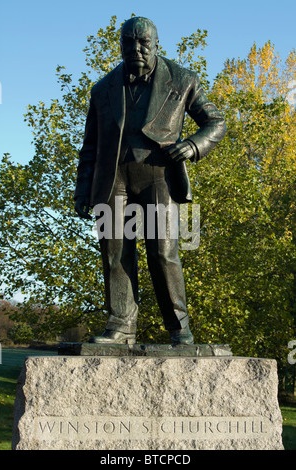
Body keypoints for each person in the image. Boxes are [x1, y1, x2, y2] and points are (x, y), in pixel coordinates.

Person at [74, 17, 226, 345]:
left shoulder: (183, 80)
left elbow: (215, 122)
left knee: (163, 252)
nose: (136, 48)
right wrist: (82, 189)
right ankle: (120, 325)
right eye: (128, 42)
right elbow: (90, 147)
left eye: (143, 42)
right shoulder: (102, 90)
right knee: (115, 253)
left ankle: (179, 327)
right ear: (120, 45)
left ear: (157, 44)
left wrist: (193, 145)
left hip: (159, 176)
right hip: (112, 179)